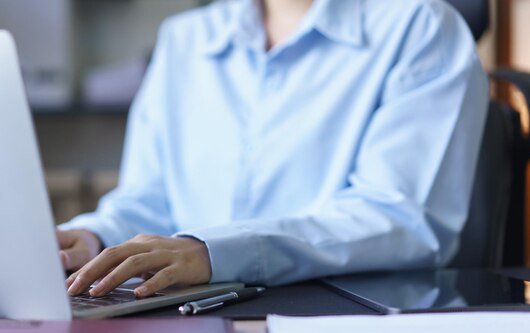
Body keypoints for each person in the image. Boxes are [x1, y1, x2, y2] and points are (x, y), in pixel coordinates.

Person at [57, 0, 489, 298]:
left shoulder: (422, 28)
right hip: (187, 312)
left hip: (339, 318)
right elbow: (149, 200)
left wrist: (212, 251)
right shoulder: (184, 39)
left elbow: (397, 217)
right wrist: (96, 239)